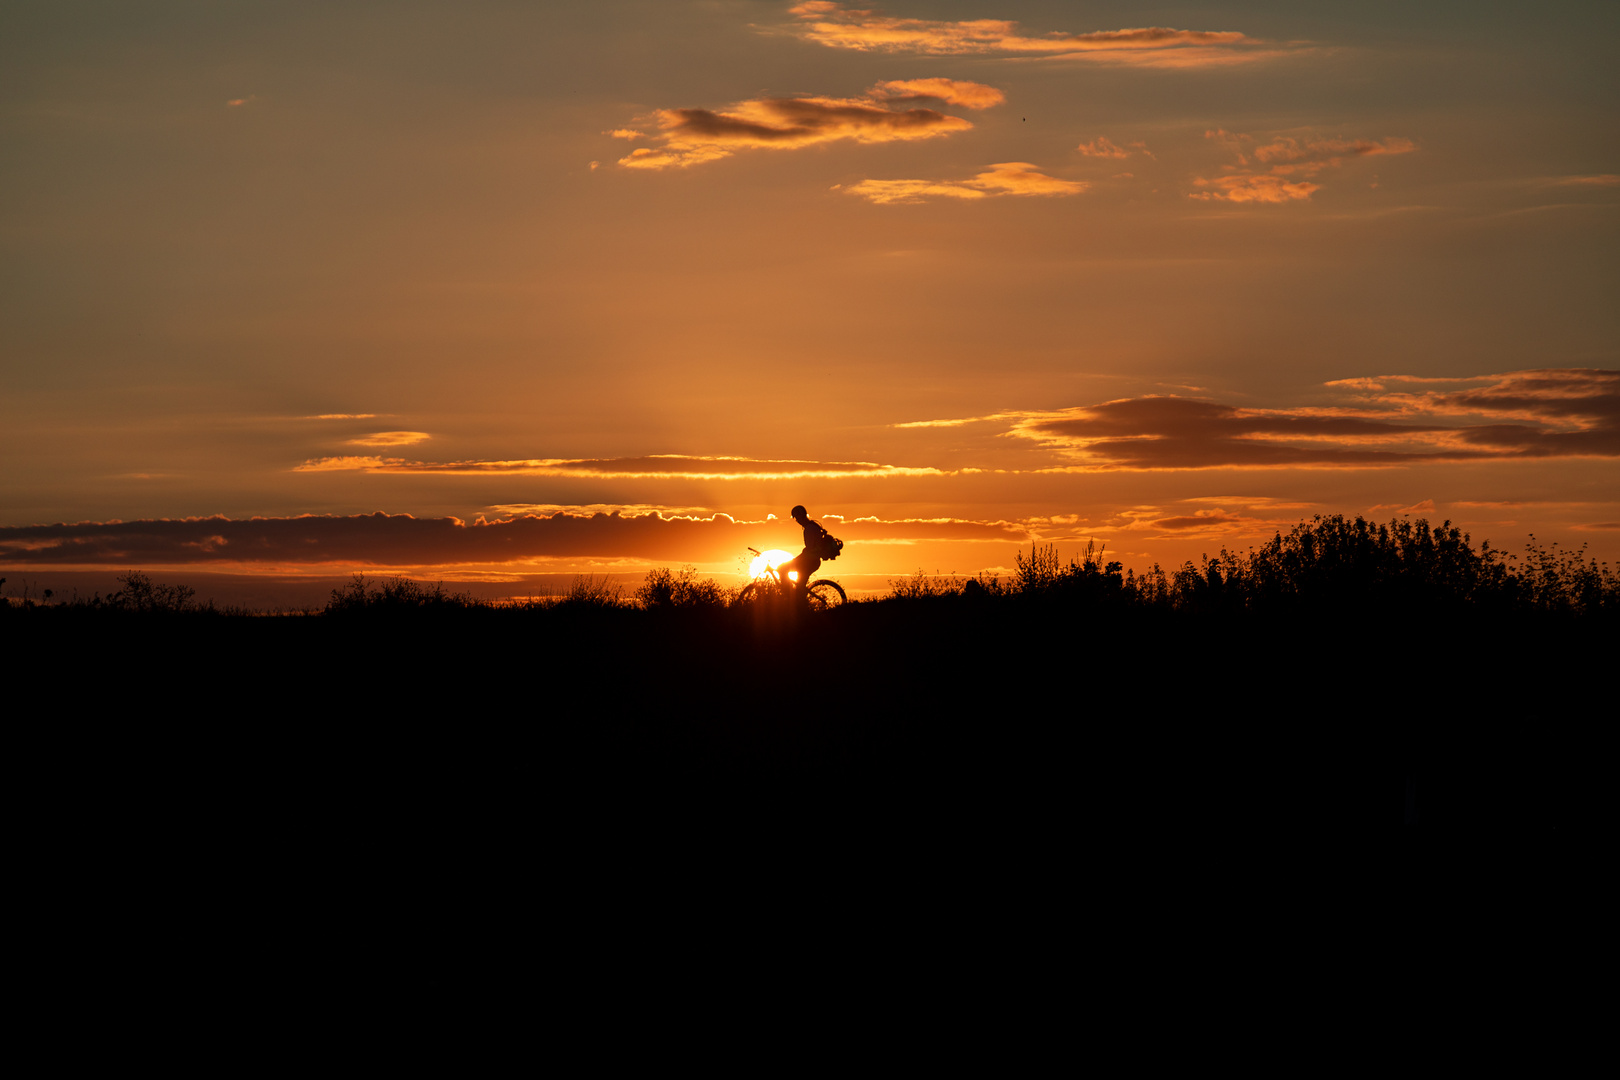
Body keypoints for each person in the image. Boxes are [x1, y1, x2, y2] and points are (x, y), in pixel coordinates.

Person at [778, 505, 836, 596]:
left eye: (797, 517)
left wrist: (798, 558)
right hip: (811, 561)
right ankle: (796, 599)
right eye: (795, 518)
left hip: (809, 562)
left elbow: (810, 549)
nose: (797, 520)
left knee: (782, 569)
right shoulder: (812, 526)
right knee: (799, 587)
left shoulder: (809, 529)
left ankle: (787, 596)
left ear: (802, 516)